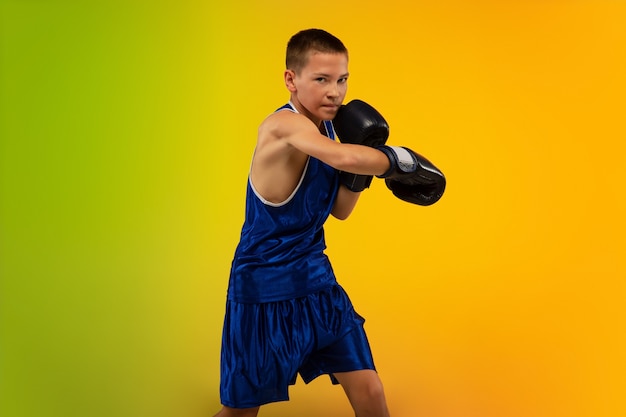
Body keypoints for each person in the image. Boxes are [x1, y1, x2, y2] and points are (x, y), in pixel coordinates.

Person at [214, 28, 445, 417]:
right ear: (291, 79)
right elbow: (343, 160)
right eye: (321, 80)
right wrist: (399, 161)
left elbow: (340, 208)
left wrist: (362, 175)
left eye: (342, 80)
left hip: (317, 283)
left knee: (370, 390)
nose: (335, 92)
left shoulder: (334, 132)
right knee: (241, 413)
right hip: (264, 286)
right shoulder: (281, 127)